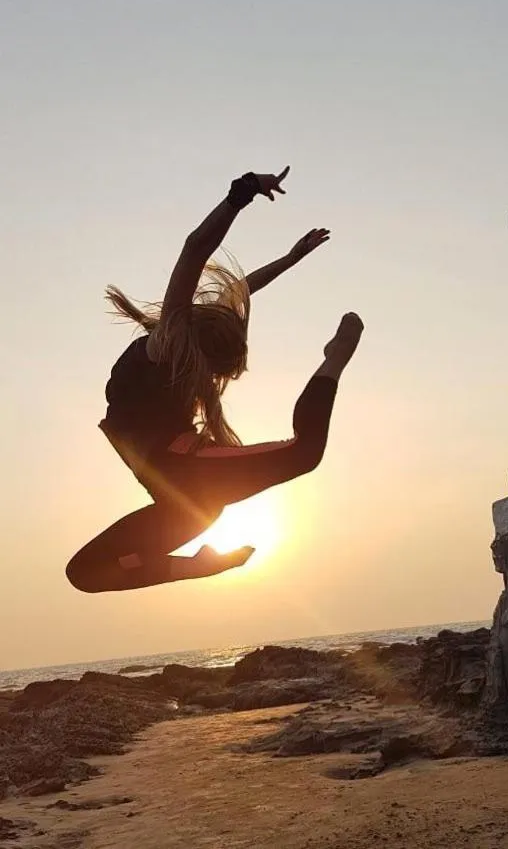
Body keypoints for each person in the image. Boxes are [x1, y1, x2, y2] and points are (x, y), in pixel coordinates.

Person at [66, 167, 363, 593]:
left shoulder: (178, 343)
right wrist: (241, 193)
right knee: (84, 574)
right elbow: (194, 250)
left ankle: (333, 360)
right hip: (180, 488)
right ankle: (202, 567)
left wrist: (290, 259)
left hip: (185, 489)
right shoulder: (170, 342)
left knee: (305, 453)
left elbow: (238, 291)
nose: (213, 382)